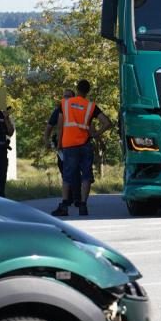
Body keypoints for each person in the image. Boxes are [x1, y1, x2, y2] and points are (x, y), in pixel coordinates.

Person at [51, 79, 112, 217]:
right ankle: (83, 205)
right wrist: (96, 134)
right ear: (87, 91)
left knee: (67, 175)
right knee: (86, 175)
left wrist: (59, 142)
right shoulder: (91, 106)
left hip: (69, 145)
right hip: (85, 144)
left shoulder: (65, 104)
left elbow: (60, 126)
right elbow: (107, 122)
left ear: (77, 89)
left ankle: (64, 205)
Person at [43, 88, 84, 207]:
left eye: (68, 96)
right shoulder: (58, 110)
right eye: (64, 96)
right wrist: (46, 140)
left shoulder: (78, 109)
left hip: (75, 144)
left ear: (74, 98)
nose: (65, 98)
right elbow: (49, 127)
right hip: (61, 146)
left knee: (75, 172)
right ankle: (70, 197)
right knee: (64, 171)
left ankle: (77, 198)